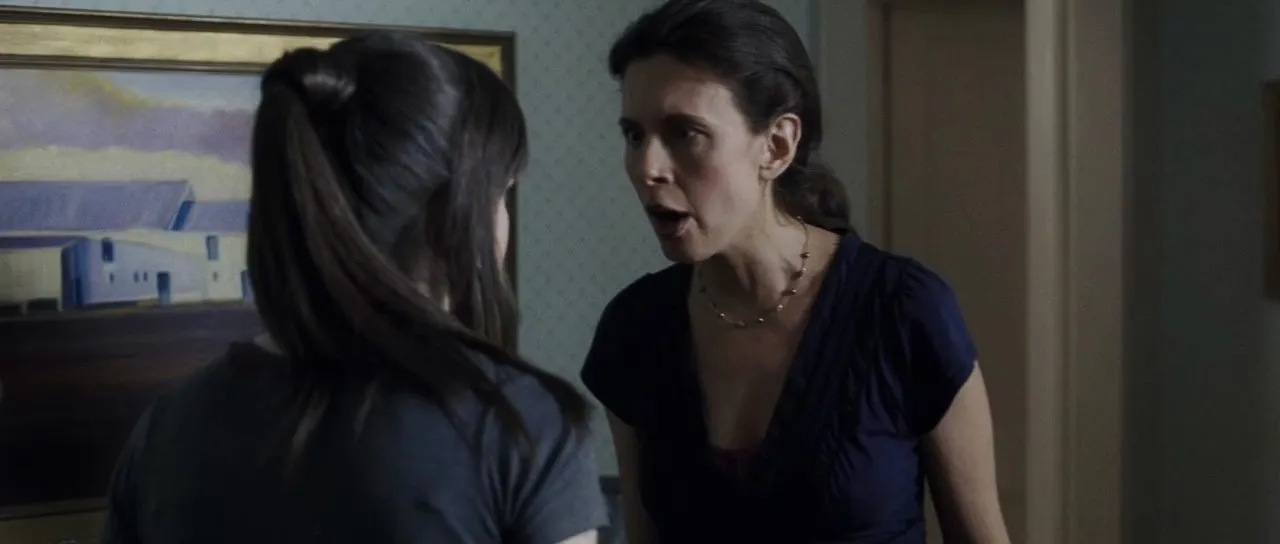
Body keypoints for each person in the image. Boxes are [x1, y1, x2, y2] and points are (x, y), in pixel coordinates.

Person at [102, 32, 606, 544]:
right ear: (454, 210)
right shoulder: (519, 427)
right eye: (501, 193)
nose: (504, 221)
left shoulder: (168, 429)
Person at [580, 1, 1011, 542]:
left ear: (777, 145)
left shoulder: (904, 311)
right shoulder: (635, 329)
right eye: (634, 135)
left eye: (684, 132)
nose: (648, 168)